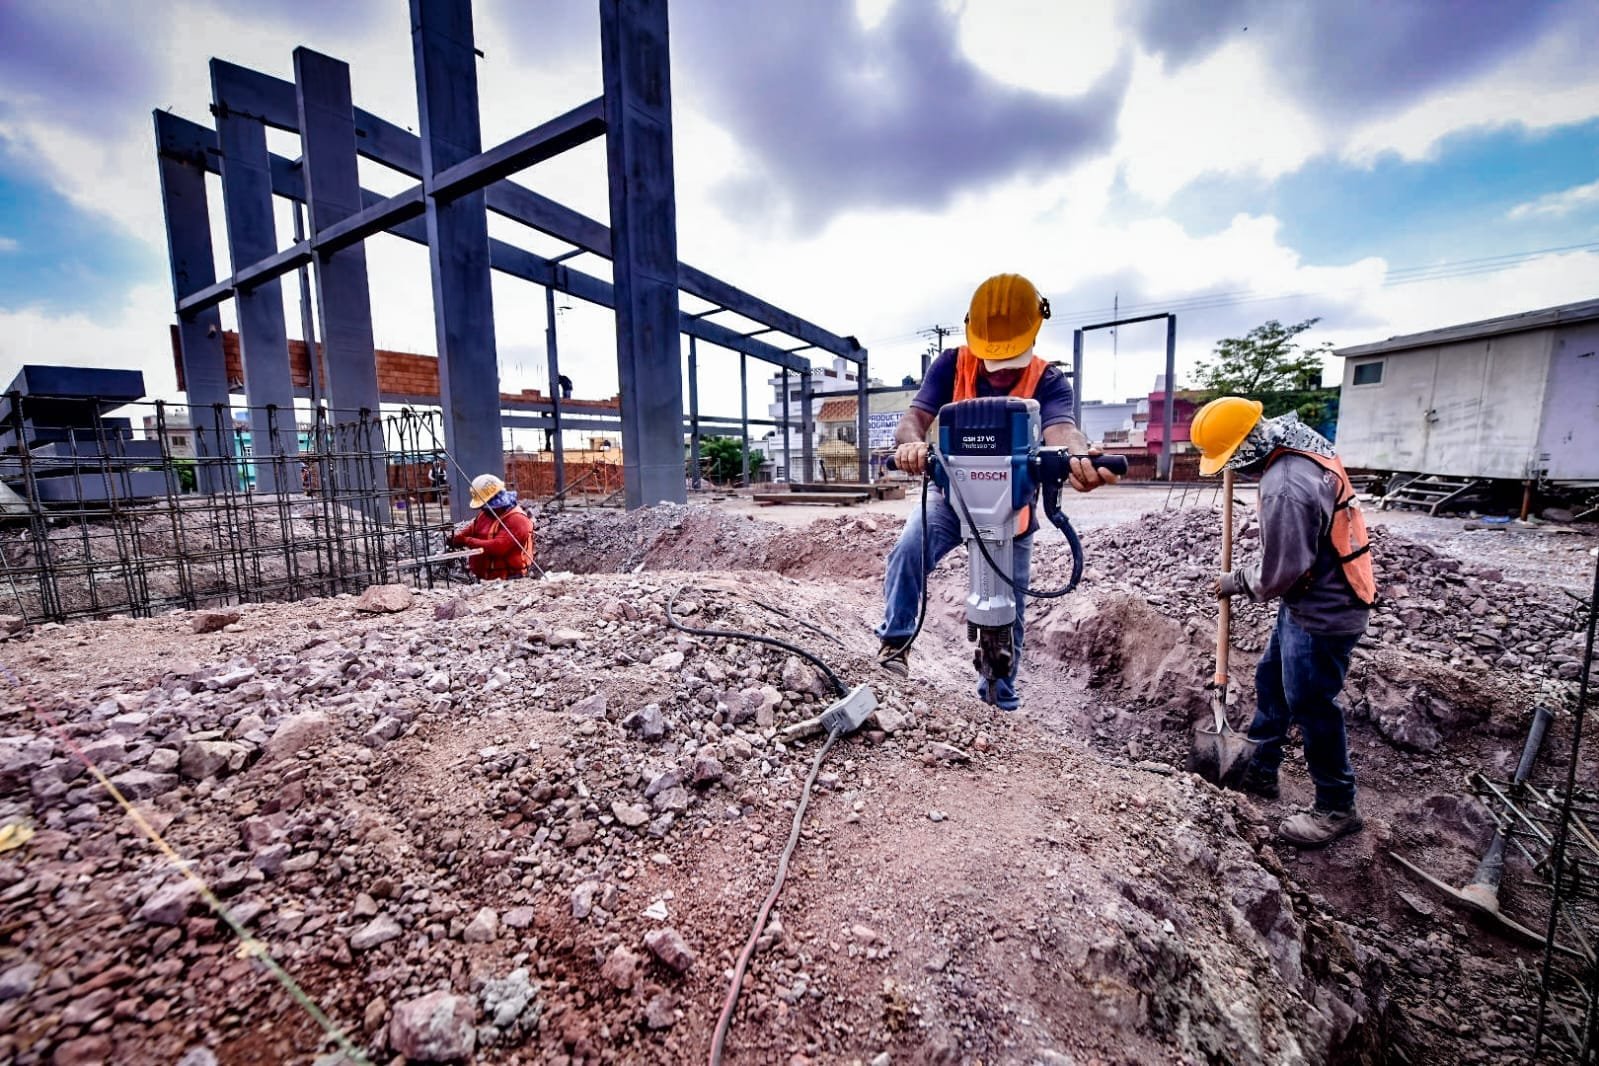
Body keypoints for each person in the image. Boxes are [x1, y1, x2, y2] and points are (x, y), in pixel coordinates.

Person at [876, 273, 1117, 710]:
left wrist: (1079, 455)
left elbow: (1063, 429)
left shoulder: (1048, 380)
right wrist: (912, 444)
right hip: (952, 496)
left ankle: (999, 696)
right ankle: (895, 645)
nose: (1001, 365)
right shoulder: (951, 364)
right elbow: (913, 418)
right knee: (910, 549)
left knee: (1009, 601)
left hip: (1012, 506)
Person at [1192, 396, 1377, 849]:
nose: (1232, 468)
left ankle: (1337, 806)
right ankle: (1260, 769)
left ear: (1246, 447)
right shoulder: (1297, 445)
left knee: (1312, 704)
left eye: (1230, 459)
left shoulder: (1286, 483)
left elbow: (1281, 570)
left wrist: (1235, 581)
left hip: (1324, 608)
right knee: (1272, 681)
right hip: (1311, 598)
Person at [448, 474, 535, 581]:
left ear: (495, 502)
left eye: (485, 506)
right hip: (485, 579)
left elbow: (498, 547)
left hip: (509, 580)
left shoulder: (517, 520)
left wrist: (467, 541)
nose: (483, 509)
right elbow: (472, 528)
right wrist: (458, 538)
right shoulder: (486, 514)